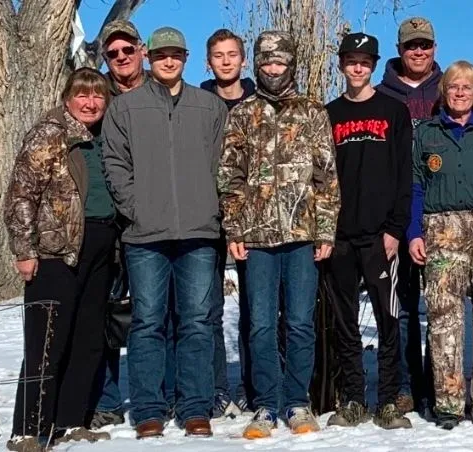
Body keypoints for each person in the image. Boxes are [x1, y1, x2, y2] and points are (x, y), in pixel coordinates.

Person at [102, 26, 228, 439]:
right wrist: (136, 209)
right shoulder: (126, 108)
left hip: (198, 232)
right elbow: (115, 165)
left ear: (186, 58)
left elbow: (222, 165)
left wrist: (212, 207)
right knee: (148, 323)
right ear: (148, 58)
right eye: (160, 55)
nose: (168, 61)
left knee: (195, 322)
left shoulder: (209, 107)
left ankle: (195, 407)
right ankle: (149, 410)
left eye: (175, 54)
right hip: (145, 236)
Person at [218, 30, 340, 440]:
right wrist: (233, 226)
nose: (273, 68)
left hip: (303, 233)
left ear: (292, 64)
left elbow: (326, 176)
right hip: (256, 236)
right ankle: (266, 404)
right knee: (260, 324)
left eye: (280, 61)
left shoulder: (312, 111)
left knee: (302, 323)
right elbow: (230, 177)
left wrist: (325, 229)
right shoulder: (243, 114)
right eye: (266, 61)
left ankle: (297, 401)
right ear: (257, 64)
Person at [5, 68, 115, 451]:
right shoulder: (49, 133)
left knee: (87, 340)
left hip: (100, 247)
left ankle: (69, 421)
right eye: (83, 95)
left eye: (98, 96)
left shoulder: (104, 135)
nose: (90, 103)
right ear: (68, 98)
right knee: (47, 341)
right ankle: (27, 429)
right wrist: (24, 249)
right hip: (55, 252)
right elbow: (21, 194)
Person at [408, 61, 473, 430]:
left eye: (467, 87)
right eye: (453, 86)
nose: (459, 92)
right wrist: (413, 233)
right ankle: (449, 403)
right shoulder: (426, 133)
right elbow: (415, 186)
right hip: (440, 230)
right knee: (444, 319)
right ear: (444, 91)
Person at [89, 19, 177, 430]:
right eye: (113, 53)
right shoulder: (96, 98)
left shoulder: (164, 93)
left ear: (142, 50)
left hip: (161, 222)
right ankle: (106, 399)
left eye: (128, 50)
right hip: (109, 224)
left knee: (164, 313)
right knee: (107, 314)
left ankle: (168, 394)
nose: (122, 58)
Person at [324, 32, 413, 430]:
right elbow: (319, 179)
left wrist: (396, 228)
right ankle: (354, 398)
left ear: (374, 66)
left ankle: (390, 399)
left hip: (381, 235)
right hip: (340, 235)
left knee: (388, 319)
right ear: (341, 64)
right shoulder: (328, 114)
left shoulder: (394, 111)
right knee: (344, 321)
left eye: (365, 61)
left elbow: (404, 176)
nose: (358, 68)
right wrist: (324, 231)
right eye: (351, 61)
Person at [376, 16, 442, 414]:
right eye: (411, 45)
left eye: (426, 45)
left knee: (441, 308)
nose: (419, 51)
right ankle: (404, 385)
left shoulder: (449, 88)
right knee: (402, 306)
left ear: (435, 48)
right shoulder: (382, 94)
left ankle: (437, 385)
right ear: (399, 50)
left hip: (441, 213)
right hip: (398, 215)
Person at [200, 28, 256, 418]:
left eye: (232, 54)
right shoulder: (196, 103)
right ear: (209, 61)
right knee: (208, 307)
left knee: (256, 308)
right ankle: (216, 387)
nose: (225, 61)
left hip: (254, 218)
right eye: (218, 55)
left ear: (243, 60)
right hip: (206, 215)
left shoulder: (260, 102)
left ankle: (254, 384)